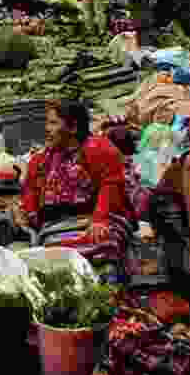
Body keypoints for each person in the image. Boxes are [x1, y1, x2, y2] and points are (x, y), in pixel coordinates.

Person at [14, 99, 135, 282]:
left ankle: (110, 290)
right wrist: (29, 215)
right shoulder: (40, 161)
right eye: (47, 122)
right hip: (57, 224)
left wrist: (100, 219)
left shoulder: (100, 149)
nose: (47, 128)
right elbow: (31, 191)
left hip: (96, 218)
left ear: (72, 128)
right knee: (53, 255)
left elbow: (111, 185)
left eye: (53, 123)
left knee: (103, 244)